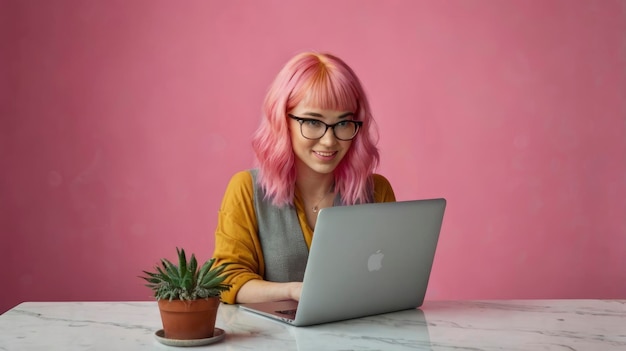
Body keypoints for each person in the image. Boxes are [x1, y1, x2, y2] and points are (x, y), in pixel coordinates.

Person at [212, 51, 396, 304]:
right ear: (282, 120)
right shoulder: (246, 189)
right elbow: (227, 280)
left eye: (343, 123)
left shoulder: (377, 191)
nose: (330, 140)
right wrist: (291, 291)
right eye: (312, 122)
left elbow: (394, 278)